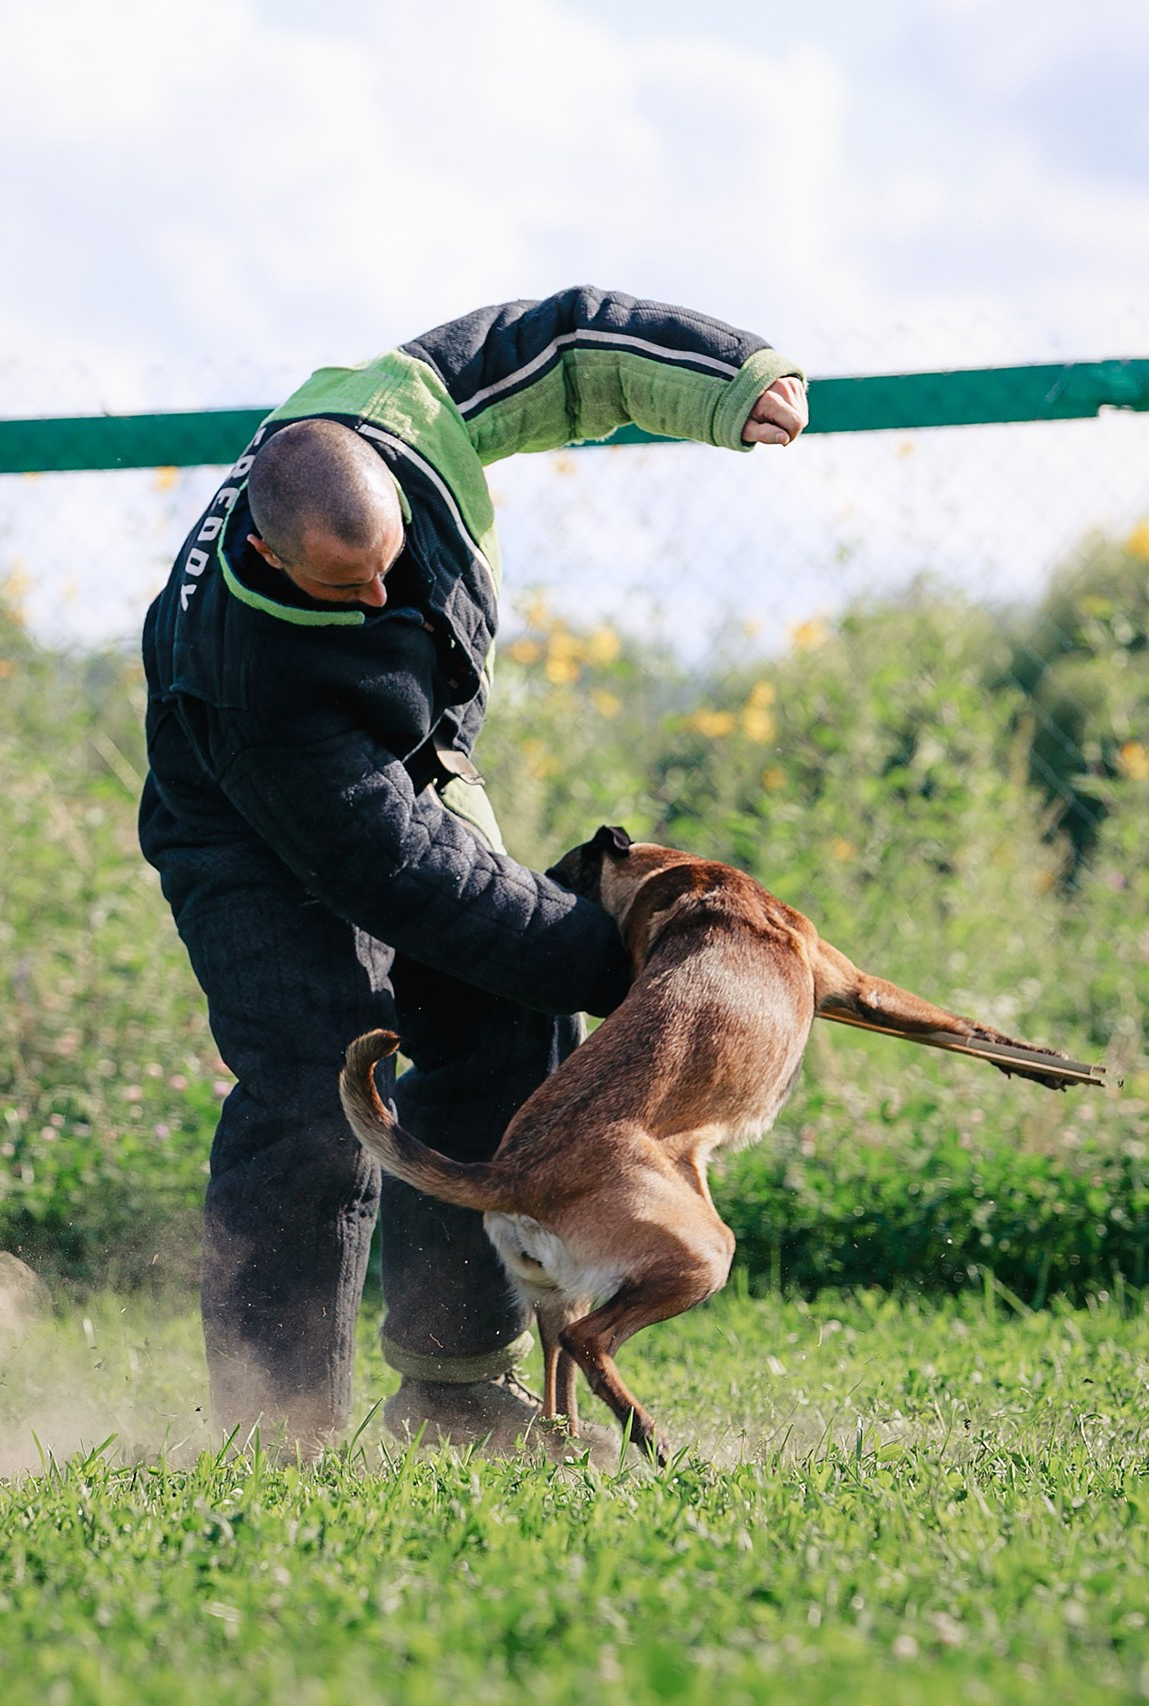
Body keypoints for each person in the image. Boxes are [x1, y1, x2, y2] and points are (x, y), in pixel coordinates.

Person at [138, 287, 809, 1451]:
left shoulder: (393, 413)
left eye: (389, 569)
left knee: (501, 1011)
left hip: (401, 764)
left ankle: (450, 1390)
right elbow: (405, 875)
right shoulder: (265, 693)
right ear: (263, 547)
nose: (380, 598)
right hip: (241, 820)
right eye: (344, 592)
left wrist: (727, 377)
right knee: (310, 1081)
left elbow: (557, 343)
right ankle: (274, 1427)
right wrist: (608, 958)